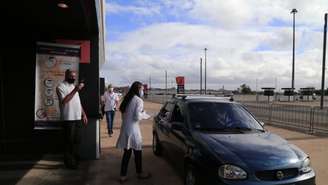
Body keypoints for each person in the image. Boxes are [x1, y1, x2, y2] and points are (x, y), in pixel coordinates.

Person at [116, 81, 151, 183]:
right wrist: (145, 115)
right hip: (134, 130)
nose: (143, 91)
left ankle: (123, 175)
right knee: (138, 152)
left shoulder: (127, 99)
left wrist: (140, 113)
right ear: (138, 89)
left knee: (127, 153)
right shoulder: (138, 100)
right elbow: (136, 116)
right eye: (142, 89)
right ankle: (140, 173)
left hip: (126, 129)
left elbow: (124, 115)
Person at [56, 69, 88, 169]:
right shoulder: (60, 87)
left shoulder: (73, 86)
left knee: (77, 140)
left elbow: (77, 102)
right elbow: (64, 101)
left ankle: (75, 159)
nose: (73, 78)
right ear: (66, 75)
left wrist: (84, 114)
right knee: (68, 142)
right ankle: (69, 163)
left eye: (74, 76)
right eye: (71, 76)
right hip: (68, 118)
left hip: (77, 117)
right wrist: (75, 90)